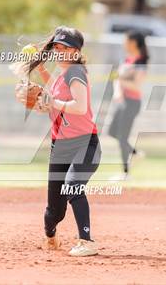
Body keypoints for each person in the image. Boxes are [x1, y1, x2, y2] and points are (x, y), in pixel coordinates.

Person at [15, 26, 101, 257]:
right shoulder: (63, 74)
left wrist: (52, 102)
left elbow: (79, 106)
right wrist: (41, 69)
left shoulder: (76, 72)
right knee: (54, 211)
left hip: (85, 144)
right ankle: (50, 235)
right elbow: (54, 89)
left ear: (76, 52)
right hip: (60, 148)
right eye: (57, 47)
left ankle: (86, 241)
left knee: (73, 185)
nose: (60, 51)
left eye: (66, 47)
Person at [108, 30, 148, 180]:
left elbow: (136, 86)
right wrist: (117, 91)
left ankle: (125, 173)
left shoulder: (140, 62)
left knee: (122, 136)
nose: (124, 44)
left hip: (132, 102)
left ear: (133, 42)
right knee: (112, 131)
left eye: (126, 41)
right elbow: (117, 81)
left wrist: (120, 80)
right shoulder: (127, 60)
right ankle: (135, 153)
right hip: (122, 101)